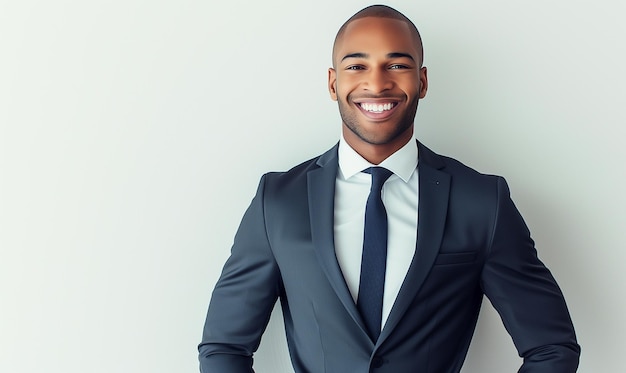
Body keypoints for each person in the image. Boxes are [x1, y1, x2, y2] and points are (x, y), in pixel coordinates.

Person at [198, 4, 580, 372]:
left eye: (397, 65)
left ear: (422, 81)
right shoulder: (278, 201)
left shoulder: (482, 201)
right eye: (357, 66)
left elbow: (551, 347)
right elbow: (224, 348)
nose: (377, 83)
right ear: (334, 83)